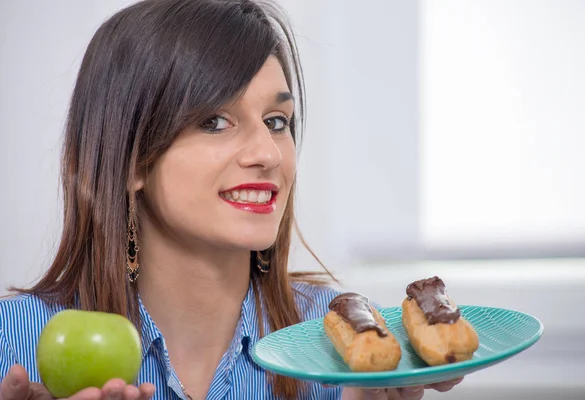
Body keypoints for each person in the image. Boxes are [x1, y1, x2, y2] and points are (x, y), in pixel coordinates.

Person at [0, 0, 463, 399]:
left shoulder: (342, 342)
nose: (267, 153)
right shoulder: (12, 345)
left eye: (277, 121)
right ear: (131, 161)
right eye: (216, 122)